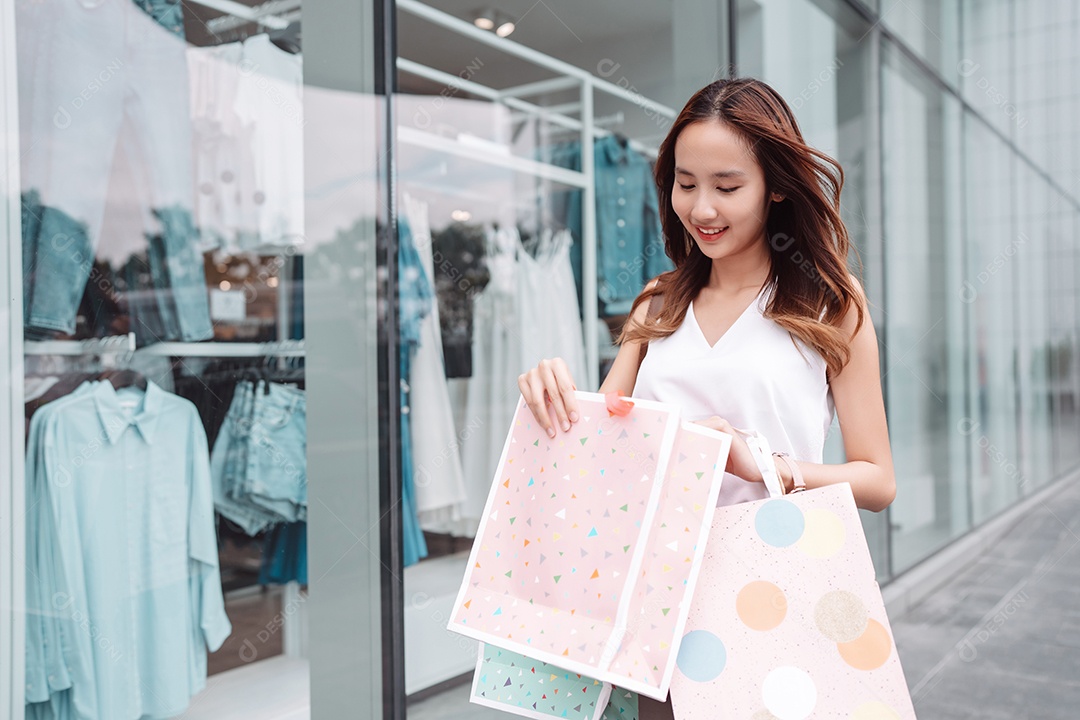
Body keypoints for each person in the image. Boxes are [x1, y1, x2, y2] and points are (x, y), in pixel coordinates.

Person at [517, 77, 896, 718]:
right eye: (685, 183)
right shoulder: (658, 302)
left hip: (770, 585)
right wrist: (553, 395)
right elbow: (603, 450)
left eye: (726, 186)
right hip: (656, 590)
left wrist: (765, 466)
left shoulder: (832, 305)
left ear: (776, 186)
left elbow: (878, 480)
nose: (702, 209)